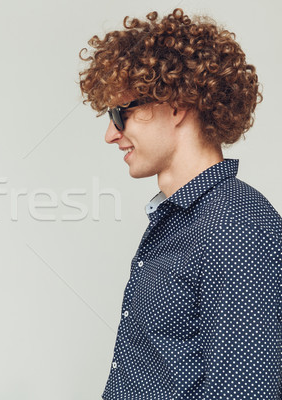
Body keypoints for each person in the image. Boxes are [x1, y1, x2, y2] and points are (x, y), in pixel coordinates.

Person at [79, 8, 282, 399]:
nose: (110, 134)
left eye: (122, 113)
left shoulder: (236, 227)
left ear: (176, 105)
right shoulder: (179, 219)